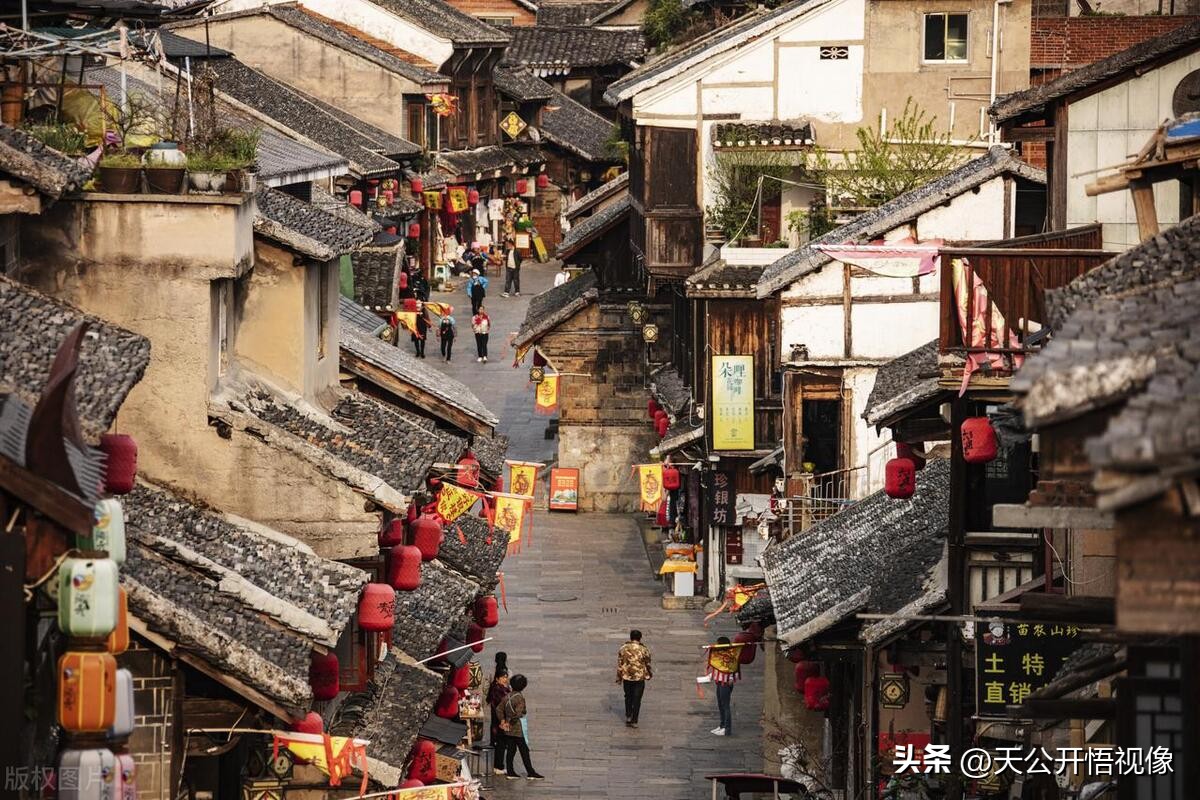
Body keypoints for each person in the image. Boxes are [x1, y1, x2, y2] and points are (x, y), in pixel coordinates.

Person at [497, 674, 544, 781]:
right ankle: (530, 772)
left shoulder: (507, 696)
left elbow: (499, 709)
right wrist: (510, 721)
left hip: (508, 730)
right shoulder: (520, 698)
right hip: (518, 729)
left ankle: (510, 771)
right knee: (524, 751)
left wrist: (503, 721)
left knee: (511, 750)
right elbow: (518, 714)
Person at [615, 629, 652, 728]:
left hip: (627, 676)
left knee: (628, 696)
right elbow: (648, 662)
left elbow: (620, 663)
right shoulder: (644, 649)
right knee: (637, 698)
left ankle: (628, 715)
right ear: (640, 638)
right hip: (639, 677)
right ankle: (634, 720)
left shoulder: (623, 648)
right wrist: (649, 673)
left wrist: (619, 677)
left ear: (631, 637)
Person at [710, 636, 741, 736]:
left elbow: (733, 668)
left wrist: (731, 679)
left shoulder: (731, 656)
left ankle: (727, 729)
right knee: (720, 704)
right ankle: (722, 725)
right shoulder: (718, 655)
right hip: (719, 681)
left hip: (725, 683)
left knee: (725, 706)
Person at [487, 653, 511, 750]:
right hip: (503, 705)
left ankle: (494, 741)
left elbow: (487, 687)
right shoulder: (509, 672)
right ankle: (503, 741)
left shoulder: (492, 673)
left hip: (494, 704)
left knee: (494, 722)